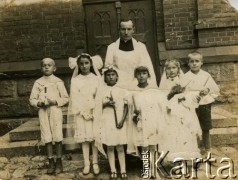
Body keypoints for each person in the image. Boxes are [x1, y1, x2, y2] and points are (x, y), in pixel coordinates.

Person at [29, 58, 69, 174]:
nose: (47, 67)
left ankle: (59, 161)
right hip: (43, 111)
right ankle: (51, 161)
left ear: (54, 68)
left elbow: (66, 98)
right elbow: (32, 99)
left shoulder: (58, 81)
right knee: (47, 136)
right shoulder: (38, 82)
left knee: (57, 135)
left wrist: (55, 101)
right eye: (44, 65)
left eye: (49, 65)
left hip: (55, 110)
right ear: (41, 68)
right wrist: (38, 103)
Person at [180, 51, 220, 154]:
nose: (194, 64)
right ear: (188, 63)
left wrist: (207, 90)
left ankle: (207, 149)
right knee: (193, 127)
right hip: (191, 105)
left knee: (205, 127)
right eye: (191, 61)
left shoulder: (206, 75)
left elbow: (214, 89)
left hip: (204, 104)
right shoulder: (185, 77)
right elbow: (182, 92)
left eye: (197, 61)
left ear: (202, 62)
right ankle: (195, 149)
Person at [94, 66, 129, 179]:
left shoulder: (122, 90)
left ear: (117, 77)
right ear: (104, 77)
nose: (110, 77)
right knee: (110, 146)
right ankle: (113, 169)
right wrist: (106, 104)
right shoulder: (102, 91)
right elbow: (97, 106)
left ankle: (123, 169)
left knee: (120, 146)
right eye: (108, 75)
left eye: (113, 75)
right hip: (107, 120)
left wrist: (122, 121)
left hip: (119, 120)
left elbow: (126, 107)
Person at [69, 53, 101, 175]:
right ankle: (86, 163)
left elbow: (99, 96)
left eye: (86, 63)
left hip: (94, 111)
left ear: (91, 64)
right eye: (81, 64)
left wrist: (94, 109)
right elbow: (74, 97)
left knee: (94, 138)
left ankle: (95, 162)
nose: (84, 66)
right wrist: (82, 111)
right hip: (81, 112)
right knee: (85, 139)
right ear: (78, 65)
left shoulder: (97, 78)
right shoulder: (76, 80)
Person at [105, 19, 157, 89]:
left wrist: (152, 87)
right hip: (119, 85)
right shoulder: (112, 47)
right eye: (123, 29)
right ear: (119, 30)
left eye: (129, 29)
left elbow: (148, 67)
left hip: (137, 85)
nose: (126, 32)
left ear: (133, 30)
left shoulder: (140, 47)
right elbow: (108, 68)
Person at [131, 66, 163, 179]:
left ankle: (155, 171)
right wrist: (134, 116)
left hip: (152, 121)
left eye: (144, 73)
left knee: (153, 147)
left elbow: (159, 107)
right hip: (141, 122)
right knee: (144, 148)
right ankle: (146, 170)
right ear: (135, 76)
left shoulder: (154, 90)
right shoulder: (133, 91)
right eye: (139, 73)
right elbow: (132, 107)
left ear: (148, 75)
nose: (141, 76)